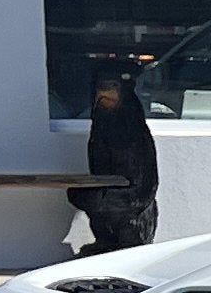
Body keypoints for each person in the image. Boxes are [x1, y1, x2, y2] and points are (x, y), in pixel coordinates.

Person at [67, 67, 160, 252]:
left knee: (124, 220)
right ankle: (105, 242)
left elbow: (146, 184)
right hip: (109, 192)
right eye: (100, 90)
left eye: (111, 89)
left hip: (133, 200)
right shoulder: (100, 130)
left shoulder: (135, 132)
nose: (103, 93)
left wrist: (113, 198)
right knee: (82, 197)